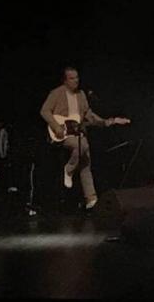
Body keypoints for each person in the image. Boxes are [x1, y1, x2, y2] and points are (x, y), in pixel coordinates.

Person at [40, 67, 129, 209]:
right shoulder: (56, 93)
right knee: (81, 146)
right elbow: (44, 111)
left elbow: (89, 115)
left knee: (86, 161)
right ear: (65, 80)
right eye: (72, 78)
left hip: (78, 133)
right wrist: (56, 126)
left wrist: (110, 121)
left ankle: (91, 199)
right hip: (62, 133)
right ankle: (68, 169)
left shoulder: (81, 95)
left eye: (77, 77)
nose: (76, 80)